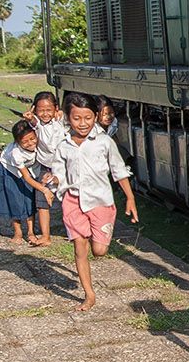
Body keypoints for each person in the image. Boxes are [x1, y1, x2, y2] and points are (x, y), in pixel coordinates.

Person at [45, 91, 138, 311]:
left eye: (87, 118)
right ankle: (89, 294)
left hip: (100, 202)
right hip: (73, 201)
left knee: (99, 250)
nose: (82, 123)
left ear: (96, 116)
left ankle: (98, 242)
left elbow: (118, 170)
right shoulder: (64, 146)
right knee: (80, 248)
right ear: (68, 118)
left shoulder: (104, 142)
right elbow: (59, 173)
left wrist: (130, 198)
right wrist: (52, 180)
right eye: (76, 118)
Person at [0, 120, 52, 244]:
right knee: (15, 199)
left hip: (30, 169)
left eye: (32, 139)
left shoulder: (40, 142)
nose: (30, 143)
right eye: (25, 142)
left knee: (29, 197)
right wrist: (44, 189)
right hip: (10, 171)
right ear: (17, 142)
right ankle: (18, 232)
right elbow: (26, 177)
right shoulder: (16, 154)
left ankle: (31, 231)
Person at [22, 91, 67, 247]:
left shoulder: (61, 120)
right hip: (45, 167)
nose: (45, 114)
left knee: (69, 199)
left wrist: (60, 112)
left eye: (49, 110)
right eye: (41, 110)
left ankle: (74, 231)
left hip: (64, 167)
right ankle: (46, 236)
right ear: (35, 110)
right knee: (42, 202)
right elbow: (31, 119)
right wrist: (31, 114)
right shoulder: (36, 124)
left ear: (55, 109)